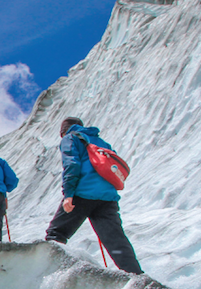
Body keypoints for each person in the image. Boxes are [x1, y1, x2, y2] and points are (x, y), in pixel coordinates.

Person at [44, 117, 143, 274]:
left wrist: (69, 194)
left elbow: (72, 165)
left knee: (56, 234)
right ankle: (136, 276)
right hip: (107, 198)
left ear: (63, 132)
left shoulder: (70, 138)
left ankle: (48, 273)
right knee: (115, 240)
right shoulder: (101, 142)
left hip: (83, 194)